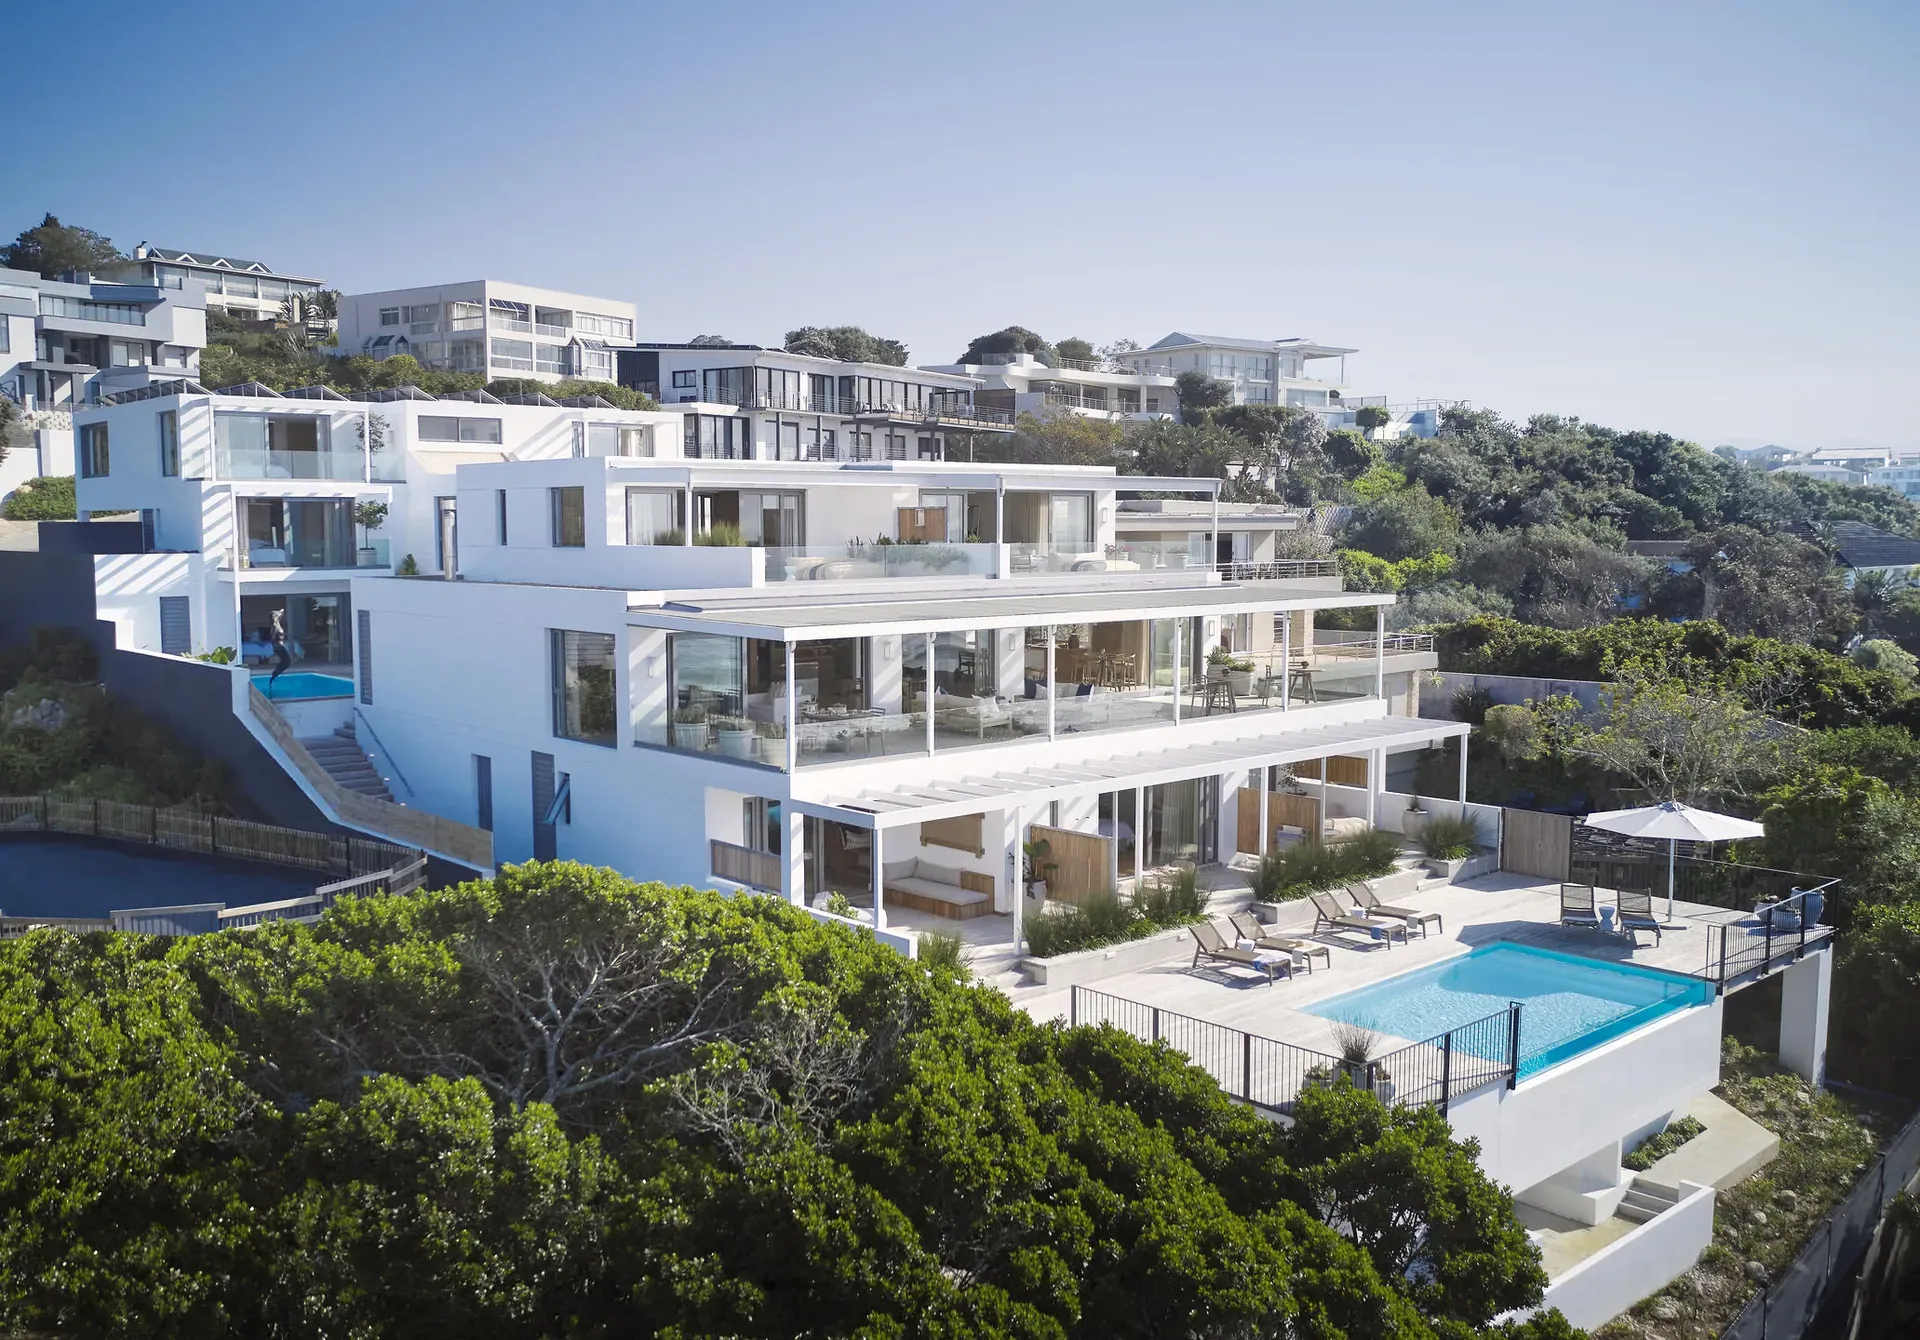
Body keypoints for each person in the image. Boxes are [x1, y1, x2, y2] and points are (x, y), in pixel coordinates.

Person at [269, 608, 291, 691]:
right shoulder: (274, 626)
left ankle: (275, 675)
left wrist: (281, 611)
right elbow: (272, 638)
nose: (279, 616)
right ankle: (274, 676)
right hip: (279, 647)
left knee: (285, 662)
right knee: (287, 661)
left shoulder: (277, 624)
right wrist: (275, 647)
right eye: (277, 616)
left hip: (280, 646)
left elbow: (281, 613)